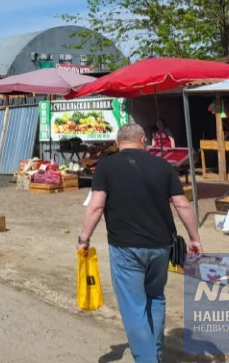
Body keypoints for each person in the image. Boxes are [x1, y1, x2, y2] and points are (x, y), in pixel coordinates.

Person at [77, 123, 202, 363]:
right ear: (143, 140)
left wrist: (84, 239)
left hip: (125, 248)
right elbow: (182, 204)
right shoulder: (164, 166)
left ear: (117, 143)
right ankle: (153, 354)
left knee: (134, 306)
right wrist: (195, 239)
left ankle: (147, 360)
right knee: (155, 297)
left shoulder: (106, 166)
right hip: (160, 247)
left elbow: (96, 206)